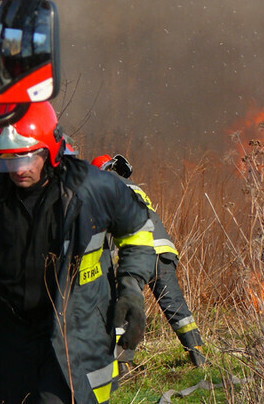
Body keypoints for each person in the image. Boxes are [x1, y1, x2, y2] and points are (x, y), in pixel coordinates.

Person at [0, 102, 156, 404]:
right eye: (8, 159)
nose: (19, 170)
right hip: (7, 338)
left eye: (27, 157)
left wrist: (131, 288)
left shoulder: (93, 189)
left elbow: (138, 229)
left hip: (72, 334)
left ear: (51, 149)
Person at [91, 154, 206, 368]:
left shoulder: (105, 187)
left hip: (137, 252)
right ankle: (198, 353)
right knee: (174, 305)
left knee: (128, 303)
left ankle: (122, 363)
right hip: (163, 249)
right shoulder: (134, 187)